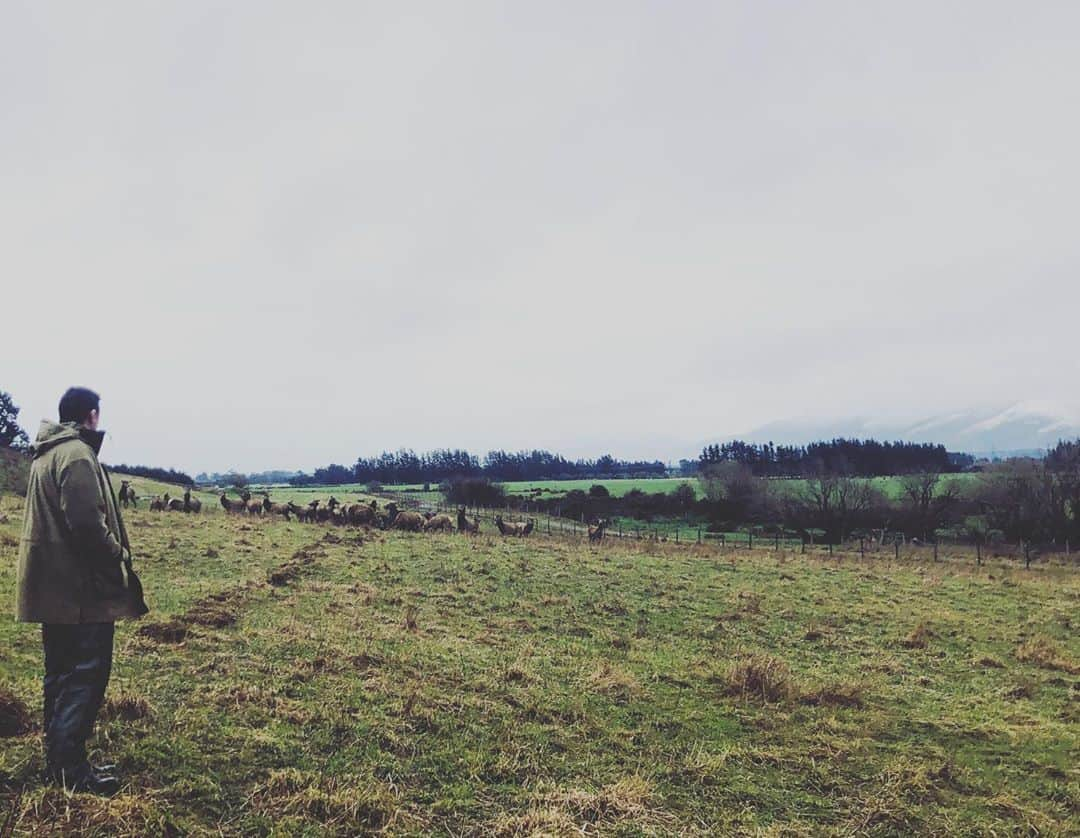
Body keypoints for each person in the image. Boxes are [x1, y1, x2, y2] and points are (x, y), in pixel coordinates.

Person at [15, 387, 148, 795]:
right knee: (86, 674)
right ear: (90, 415)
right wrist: (118, 556)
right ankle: (70, 769)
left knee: (61, 672)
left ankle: (59, 760)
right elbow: (88, 525)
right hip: (79, 592)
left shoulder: (48, 452)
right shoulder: (76, 455)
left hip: (56, 588)